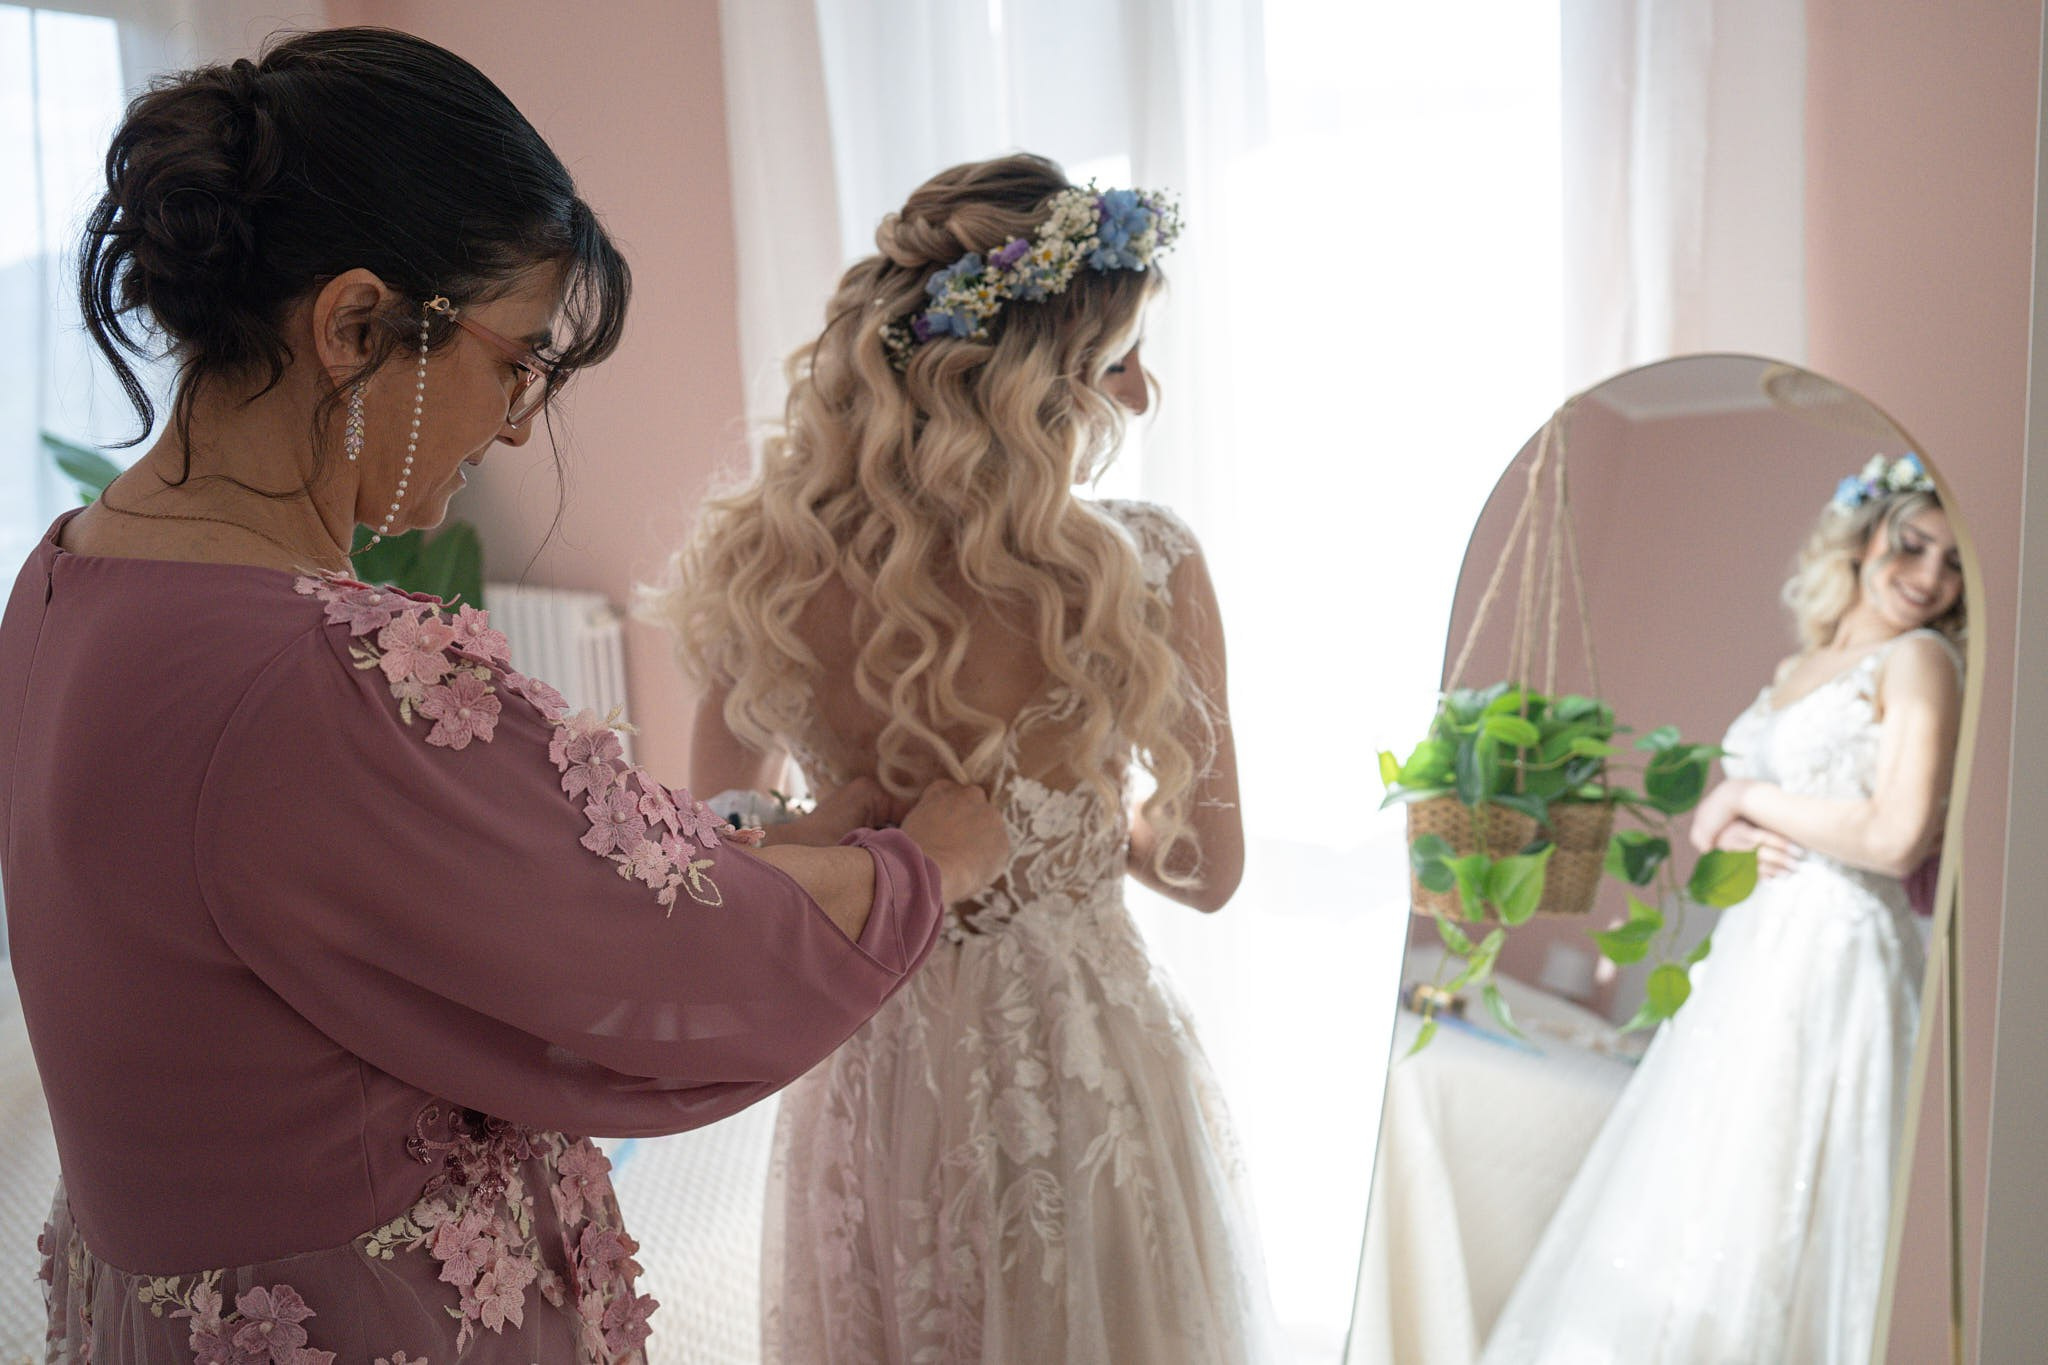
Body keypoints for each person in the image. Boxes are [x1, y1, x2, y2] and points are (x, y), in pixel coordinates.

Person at [0, 28, 1007, 1364]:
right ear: (358, 322)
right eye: (517, 360)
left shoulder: (67, 579)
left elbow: (467, 887)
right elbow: (659, 953)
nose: (518, 423)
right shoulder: (324, 673)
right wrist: (922, 863)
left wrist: (765, 844)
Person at [649, 153, 1282, 1364]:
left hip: (871, 1047)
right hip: (1075, 1053)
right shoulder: (1143, 566)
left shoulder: (766, 565)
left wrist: (837, 822)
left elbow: (707, 851)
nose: (1141, 393)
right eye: (1114, 361)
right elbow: (1208, 872)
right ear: (1024, 381)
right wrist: (1095, 822)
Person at [1478, 454, 1965, 1364]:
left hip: (1839, 952)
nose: (1930, 577)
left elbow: (1898, 834)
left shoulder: (1922, 660)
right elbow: (1760, 812)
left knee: (1792, 1187)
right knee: (1712, 1184)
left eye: (1952, 564)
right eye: (1913, 544)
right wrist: (1728, 827)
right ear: (1864, 539)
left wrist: (1741, 803)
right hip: (1757, 949)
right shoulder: (1800, 664)